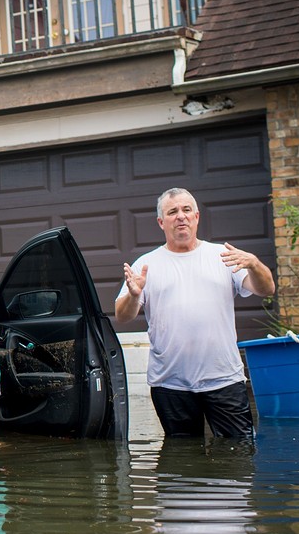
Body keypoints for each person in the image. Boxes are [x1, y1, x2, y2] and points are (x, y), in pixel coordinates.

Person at [114, 187, 276, 439]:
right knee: (181, 454)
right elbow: (122, 316)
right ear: (161, 222)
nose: (181, 216)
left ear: (196, 216)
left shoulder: (223, 256)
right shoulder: (146, 265)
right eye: (172, 212)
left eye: (186, 210)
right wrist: (134, 295)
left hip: (223, 378)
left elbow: (267, 289)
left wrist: (254, 264)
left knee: (239, 450)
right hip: (170, 383)